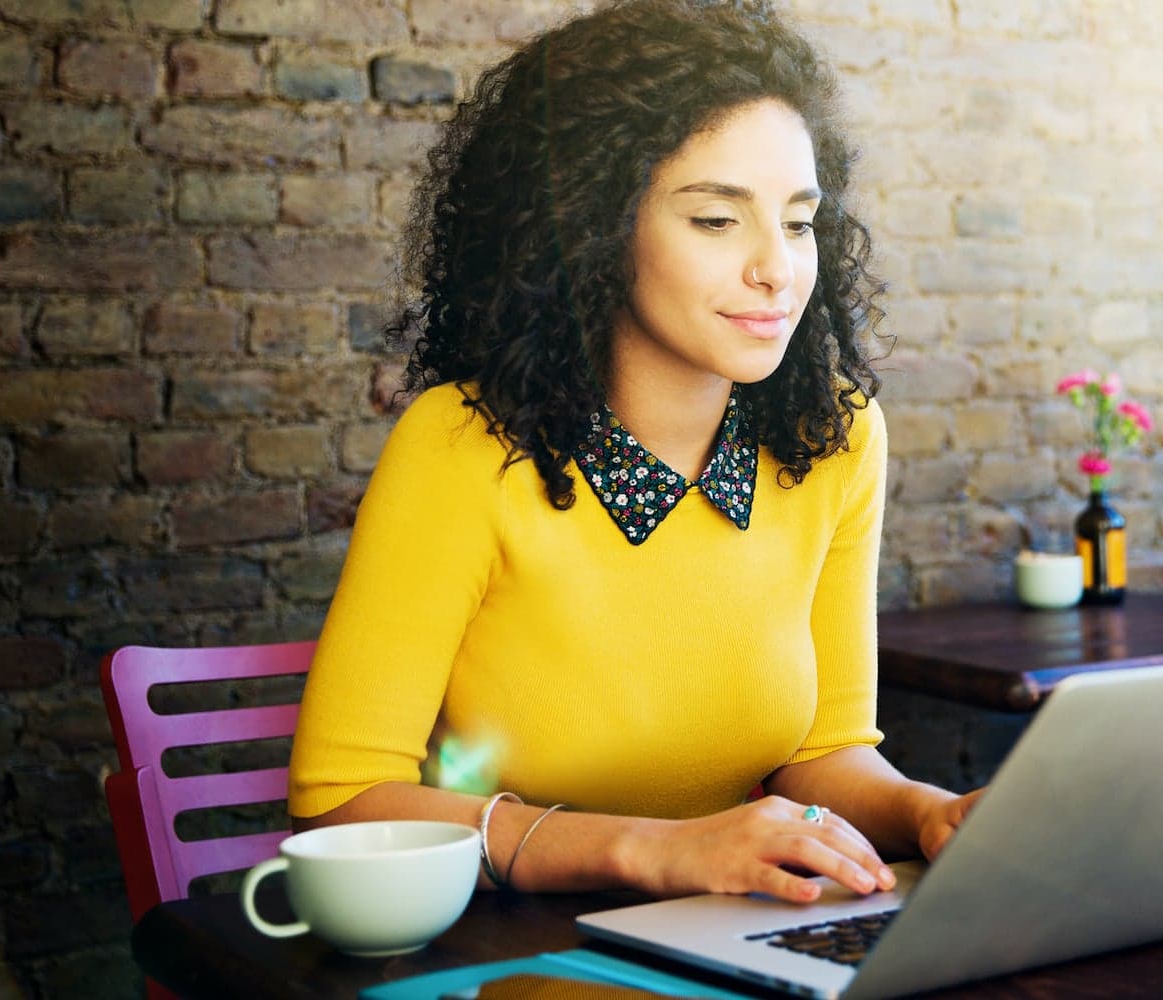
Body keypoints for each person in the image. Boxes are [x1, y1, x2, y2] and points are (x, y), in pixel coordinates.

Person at [287, 0, 978, 905]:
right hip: (523, 957)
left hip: (747, 935)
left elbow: (822, 752)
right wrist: (655, 850)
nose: (778, 267)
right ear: (593, 228)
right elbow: (341, 801)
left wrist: (930, 811)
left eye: (800, 221)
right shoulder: (463, 446)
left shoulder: (835, 439)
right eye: (717, 221)